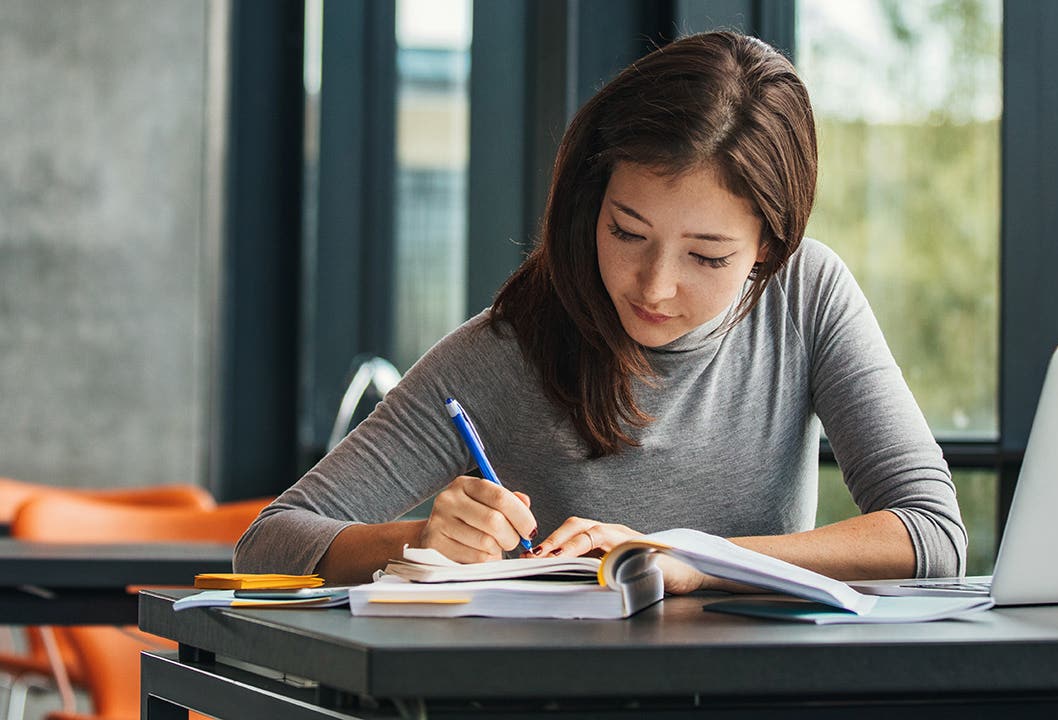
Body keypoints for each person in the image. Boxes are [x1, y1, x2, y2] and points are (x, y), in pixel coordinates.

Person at [236, 31, 967, 592]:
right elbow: (268, 542)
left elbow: (931, 534)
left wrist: (686, 556)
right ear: (591, 203)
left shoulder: (806, 295)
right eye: (626, 233)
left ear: (769, 250)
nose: (653, 287)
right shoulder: (509, 348)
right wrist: (417, 540)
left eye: (707, 258)